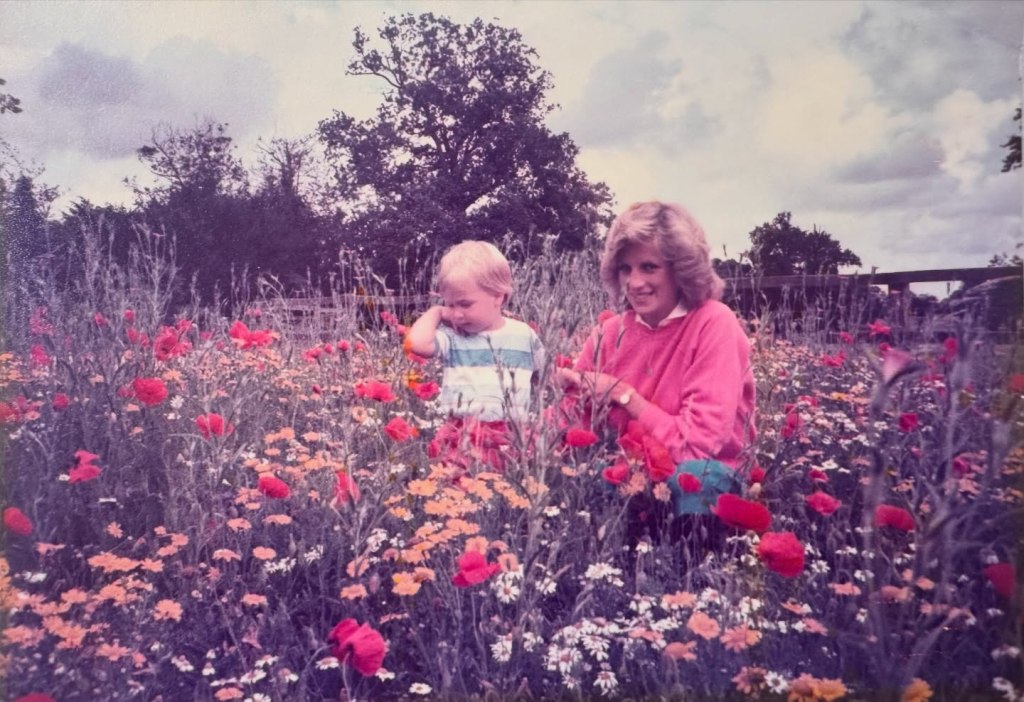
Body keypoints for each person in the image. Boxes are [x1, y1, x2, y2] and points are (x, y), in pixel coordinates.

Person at [557, 201, 756, 556]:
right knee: (573, 483)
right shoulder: (609, 333)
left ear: (681, 270)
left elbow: (699, 447)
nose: (635, 283)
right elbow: (570, 423)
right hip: (631, 474)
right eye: (625, 269)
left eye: (649, 267)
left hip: (701, 478)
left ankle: (696, 583)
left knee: (693, 478)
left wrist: (623, 395)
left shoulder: (714, 323)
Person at [406, 240, 545, 470]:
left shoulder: (524, 336)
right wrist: (437, 312)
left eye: (465, 304)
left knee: (504, 496)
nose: (457, 314)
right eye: (450, 305)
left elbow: (545, 379)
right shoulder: (452, 337)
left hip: (509, 437)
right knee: (458, 497)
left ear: (498, 296)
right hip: (460, 436)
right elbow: (416, 344)